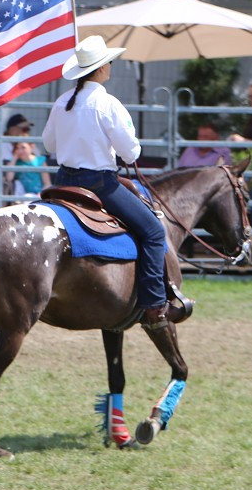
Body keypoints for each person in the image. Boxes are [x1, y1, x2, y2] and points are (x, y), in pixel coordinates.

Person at [42, 35, 183, 328]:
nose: (110, 65)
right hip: (99, 185)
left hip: (63, 182)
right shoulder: (107, 104)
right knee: (155, 232)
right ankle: (154, 304)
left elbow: (48, 146)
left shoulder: (62, 102)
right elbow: (131, 152)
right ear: (101, 68)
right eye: (108, 61)